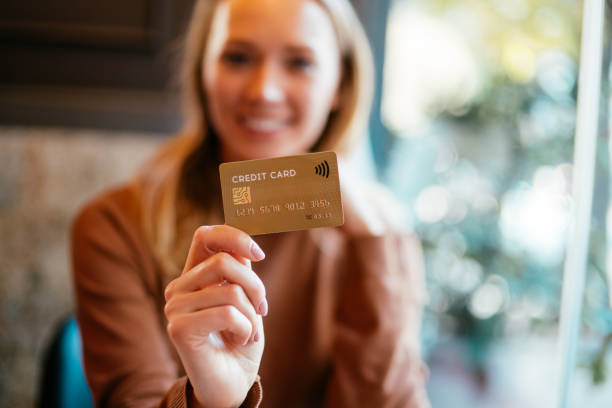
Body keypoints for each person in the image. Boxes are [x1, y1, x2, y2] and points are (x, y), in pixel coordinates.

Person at [71, 0, 430, 407]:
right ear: (202, 72)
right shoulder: (115, 225)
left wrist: (373, 249)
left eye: (299, 63)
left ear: (340, 86)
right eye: (238, 57)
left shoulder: (382, 232)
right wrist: (212, 400)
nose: (264, 91)